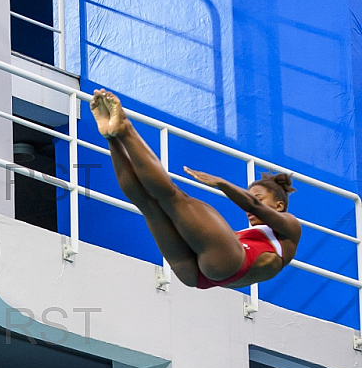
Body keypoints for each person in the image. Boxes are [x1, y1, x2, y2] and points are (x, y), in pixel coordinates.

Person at [89, 89, 301, 289]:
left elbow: (253, 205)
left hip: (225, 264)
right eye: (252, 195)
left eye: (259, 197)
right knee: (148, 204)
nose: (250, 205)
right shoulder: (248, 236)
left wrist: (222, 183)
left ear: (279, 205)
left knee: (173, 197)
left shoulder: (290, 228)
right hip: (198, 276)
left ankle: (125, 129)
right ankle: (112, 136)